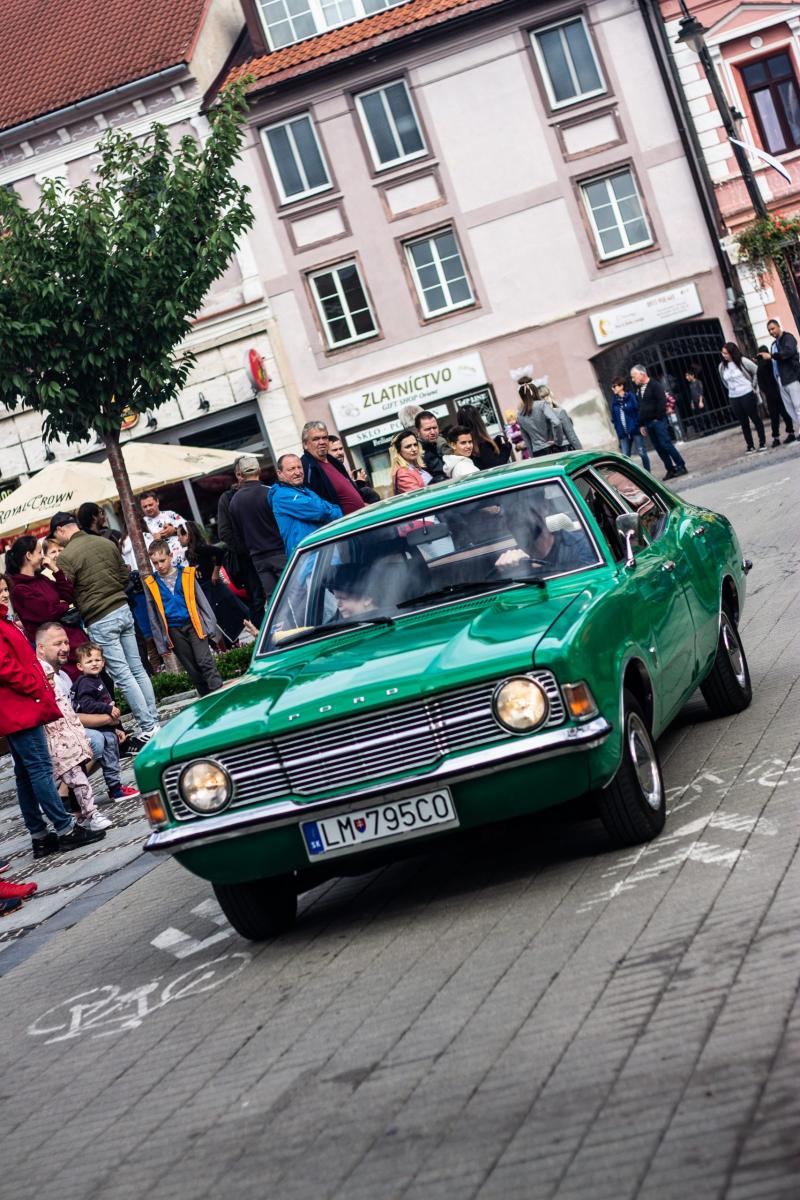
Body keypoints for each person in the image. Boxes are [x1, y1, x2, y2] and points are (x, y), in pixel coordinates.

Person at [0, 593, 104, 857]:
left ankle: (40, 836)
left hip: (17, 706)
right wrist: (34, 684)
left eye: (4, 589)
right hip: (20, 706)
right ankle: (65, 828)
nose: (4, 595)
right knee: (40, 769)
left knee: (26, 774)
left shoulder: (5, 620)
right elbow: (4, 666)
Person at [56, 514, 160, 742]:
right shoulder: (104, 541)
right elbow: (124, 575)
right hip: (123, 608)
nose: (57, 540)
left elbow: (67, 592)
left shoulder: (66, 556)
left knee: (123, 674)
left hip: (99, 616)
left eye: (56, 535)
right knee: (137, 668)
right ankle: (154, 720)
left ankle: (148, 726)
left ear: (61, 529)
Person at [35, 626, 112, 833]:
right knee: (79, 778)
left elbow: (71, 712)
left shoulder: (63, 676)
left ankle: (81, 816)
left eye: (66, 642)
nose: (64, 648)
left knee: (80, 774)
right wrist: (107, 718)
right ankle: (90, 813)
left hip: (70, 736)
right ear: (41, 648)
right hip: (57, 741)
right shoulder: (42, 673)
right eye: (57, 643)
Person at [144, 540, 223, 697]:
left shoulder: (187, 574)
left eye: (162, 560)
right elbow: (153, 616)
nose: (159, 566)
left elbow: (202, 601)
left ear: (170, 556)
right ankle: (206, 698)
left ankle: (219, 694)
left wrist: (210, 625)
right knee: (192, 669)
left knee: (205, 661)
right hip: (173, 630)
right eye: (155, 563)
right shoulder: (151, 583)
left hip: (194, 624)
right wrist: (161, 644)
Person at [5, 535, 88, 678]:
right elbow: (47, 613)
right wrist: (63, 606)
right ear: (29, 555)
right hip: (58, 652)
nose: (43, 557)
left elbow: (69, 594)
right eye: (39, 552)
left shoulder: (41, 578)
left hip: (75, 642)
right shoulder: (19, 589)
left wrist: (55, 570)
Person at [71, 643, 138, 802]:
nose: (94, 663)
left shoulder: (94, 679)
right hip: (95, 728)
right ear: (80, 666)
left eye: (97, 660)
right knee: (110, 759)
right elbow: (86, 705)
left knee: (112, 757)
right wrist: (107, 709)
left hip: (102, 726)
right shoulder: (86, 682)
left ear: (103, 662)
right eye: (89, 661)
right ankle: (115, 789)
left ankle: (115, 787)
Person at [228, 454, 287, 622]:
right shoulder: (269, 492)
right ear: (259, 470)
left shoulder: (234, 501)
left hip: (257, 558)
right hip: (279, 552)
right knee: (294, 592)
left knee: (274, 600)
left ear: (241, 474)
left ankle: (284, 631)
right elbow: (282, 523)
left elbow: (237, 536)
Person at [177, 522, 251, 645]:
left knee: (225, 616)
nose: (178, 538)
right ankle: (228, 646)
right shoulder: (188, 553)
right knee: (216, 620)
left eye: (180, 535)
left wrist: (215, 572)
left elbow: (219, 552)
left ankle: (235, 644)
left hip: (213, 588)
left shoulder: (201, 548)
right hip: (203, 590)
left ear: (188, 535)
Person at [268, 453, 342, 557]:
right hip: (307, 557)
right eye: (291, 469)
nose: (297, 472)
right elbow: (320, 511)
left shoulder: (304, 490)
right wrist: (334, 510)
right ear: (280, 473)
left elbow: (325, 508)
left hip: (321, 551)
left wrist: (331, 510)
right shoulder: (282, 495)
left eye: (299, 467)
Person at [630, 364, 688, 480]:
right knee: (658, 447)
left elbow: (662, 402)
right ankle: (670, 469)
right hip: (647, 423)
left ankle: (681, 466)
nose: (632, 379)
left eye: (634, 376)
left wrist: (658, 417)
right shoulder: (639, 389)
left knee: (666, 444)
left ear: (641, 374)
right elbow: (641, 408)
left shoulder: (655, 385)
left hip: (657, 421)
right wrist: (641, 424)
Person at [301, 422, 366, 514]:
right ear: (305, 444)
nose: (322, 442)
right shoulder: (306, 468)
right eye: (316, 439)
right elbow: (316, 507)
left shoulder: (334, 461)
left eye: (324, 438)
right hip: (343, 522)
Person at [718, 343, 765, 454]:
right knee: (743, 422)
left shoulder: (743, 361)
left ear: (732, 353)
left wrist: (753, 385)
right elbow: (724, 381)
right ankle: (750, 445)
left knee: (755, 418)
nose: (723, 355)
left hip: (747, 393)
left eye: (726, 353)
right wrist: (731, 389)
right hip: (733, 396)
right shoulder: (722, 366)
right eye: (722, 353)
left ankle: (762, 442)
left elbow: (756, 370)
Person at [517, 380, 570, 457]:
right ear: (535, 392)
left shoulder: (519, 415)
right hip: (552, 448)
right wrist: (558, 441)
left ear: (521, 396)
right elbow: (556, 422)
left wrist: (532, 456)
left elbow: (526, 438)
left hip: (537, 452)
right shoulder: (542, 405)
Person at [756, 345, 795, 447]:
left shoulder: (761, 367)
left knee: (774, 417)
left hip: (771, 395)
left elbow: (761, 384)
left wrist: (767, 392)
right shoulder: (773, 362)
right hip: (778, 392)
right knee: (785, 414)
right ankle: (790, 433)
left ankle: (776, 438)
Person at [766, 317, 800, 431]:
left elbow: (788, 352)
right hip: (780, 379)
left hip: (791, 377)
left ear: (778, 326)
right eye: (769, 330)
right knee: (789, 408)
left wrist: (772, 356)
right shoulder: (774, 344)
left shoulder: (788, 337)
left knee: (798, 405)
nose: (771, 332)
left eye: (773, 329)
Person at [610, 377, 651, 470]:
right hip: (623, 433)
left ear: (621, 386)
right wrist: (617, 428)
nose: (613, 389)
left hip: (634, 429)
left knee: (642, 452)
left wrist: (639, 425)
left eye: (614, 386)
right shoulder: (614, 401)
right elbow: (614, 417)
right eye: (612, 387)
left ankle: (648, 473)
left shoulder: (630, 397)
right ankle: (629, 475)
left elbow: (637, 411)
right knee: (625, 456)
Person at [456, 405, 512, 471]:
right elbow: (496, 467)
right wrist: (507, 447)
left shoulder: (463, 447)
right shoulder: (481, 444)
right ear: (478, 420)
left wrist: (495, 443)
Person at [326, 435, 380, 503]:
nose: (340, 453)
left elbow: (354, 493)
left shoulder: (340, 468)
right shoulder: (330, 472)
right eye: (335, 450)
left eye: (341, 449)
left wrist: (359, 482)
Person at [140, 492, 187, 564]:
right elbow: (142, 548)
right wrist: (155, 540)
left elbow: (189, 528)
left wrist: (174, 530)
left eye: (150, 505)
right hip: (163, 565)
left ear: (157, 502)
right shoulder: (141, 523)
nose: (148, 508)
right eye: (145, 507)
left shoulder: (170, 514)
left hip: (184, 559)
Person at [538, 385, 582, 450]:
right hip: (565, 448)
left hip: (551, 451)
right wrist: (580, 451)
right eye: (543, 397)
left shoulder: (538, 416)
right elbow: (572, 436)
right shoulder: (559, 412)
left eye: (547, 396)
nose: (546, 399)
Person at [414, 411, 449, 482]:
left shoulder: (436, 444)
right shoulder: (419, 452)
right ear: (418, 431)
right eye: (427, 429)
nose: (433, 432)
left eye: (435, 428)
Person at [684, 365, 709, 438]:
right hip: (695, 401)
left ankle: (709, 429)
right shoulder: (690, 384)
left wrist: (701, 401)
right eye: (686, 376)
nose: (686, 378)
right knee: (699, 417)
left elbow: (701, 392)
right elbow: (691, 394)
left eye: (687, 376)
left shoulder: (698, 382)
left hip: (700, 400)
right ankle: (704, 431)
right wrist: (692, 402)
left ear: (692, 375)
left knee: (705, 414)